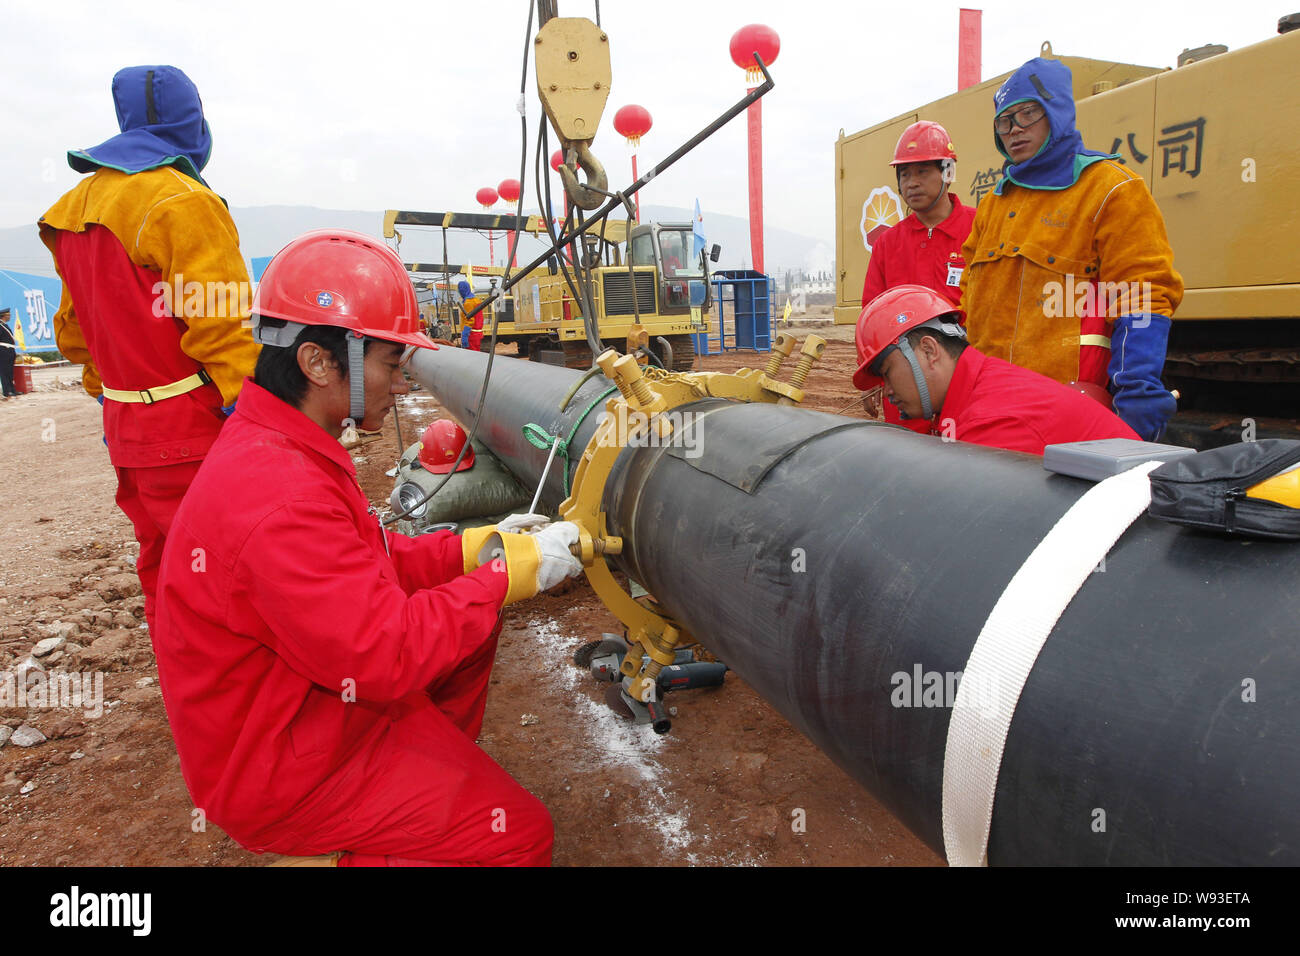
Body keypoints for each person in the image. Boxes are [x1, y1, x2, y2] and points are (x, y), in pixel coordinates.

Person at [153, 229, 584, 866]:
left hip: (300, 707)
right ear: (320, 362)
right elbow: (382, 653)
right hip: (284, 768)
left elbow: (373, 560)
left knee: (472, 628)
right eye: (389, 363)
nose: (399, 383)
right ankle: (361, 844)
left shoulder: (287, 446)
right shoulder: (280, 496)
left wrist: (477, 548)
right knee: (516, 837)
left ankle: (422, 779)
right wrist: (504, 574)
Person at [37, 65, 258, 635]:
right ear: (193, 120)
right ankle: (230, 702)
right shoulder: (183, 201)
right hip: (192, 426)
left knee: (163, 560)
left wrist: (113, 398)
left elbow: (73, 334)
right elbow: (222, 328)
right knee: (230, 567)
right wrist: (255, 409)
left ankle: (184, 687)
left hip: (126, 426)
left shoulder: (74, 206)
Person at [959, 56, 1183, 441]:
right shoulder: (994, 205)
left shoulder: (1110, 189)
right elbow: (968, 303)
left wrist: (1138, 387)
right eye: (1004, 121)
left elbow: (1142, 295)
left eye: (1027, 114)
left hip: (1066, 412)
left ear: (1057, 111)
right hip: (991, 408)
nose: (1013, 130)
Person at [853, 285, 1139, 455]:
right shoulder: (979, 389)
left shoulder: (991, 424)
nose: (887, 391)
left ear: (929, 351)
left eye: (887, 372)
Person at [860, 120, 977, 430]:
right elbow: (872, 314)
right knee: (910, 463)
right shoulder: (888, 243)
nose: (911, 183)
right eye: (904, 174)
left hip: (967, 379)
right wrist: (876, 377)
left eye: (922, 171)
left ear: (948, 172)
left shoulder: (980, 229)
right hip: (907, 381)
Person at [458, 279, 486, 352]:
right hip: (477, 333)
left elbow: (470, 320)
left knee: (471, 357)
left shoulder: (468, 303)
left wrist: (465, 335)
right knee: (476, 355)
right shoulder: (476, 300)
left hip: (471, 334)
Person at [0, 312, 17, 398]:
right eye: (8, 315)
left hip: (10, 350)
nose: (9, 316)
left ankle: (12, 389)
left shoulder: (5, 325)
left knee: (10, 371)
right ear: (3, 316)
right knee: (4, 371)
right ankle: (7, 391)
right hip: (3, 350)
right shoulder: (0, 326)